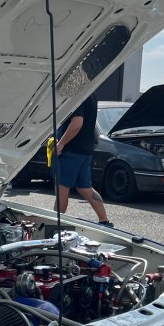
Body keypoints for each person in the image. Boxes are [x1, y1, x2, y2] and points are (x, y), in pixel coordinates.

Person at [53, 93, 112, 227]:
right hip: (85, 150)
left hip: (71, 150)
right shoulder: (92, 94)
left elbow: (77, 123)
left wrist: (61, 143)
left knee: (62, 189)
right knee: (85, 188)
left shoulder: (78, 95)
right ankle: (105, 221)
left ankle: (56, 225)